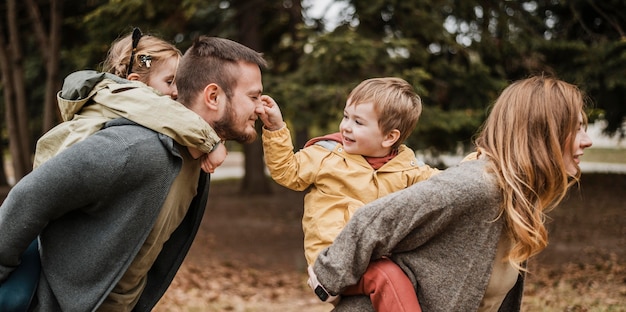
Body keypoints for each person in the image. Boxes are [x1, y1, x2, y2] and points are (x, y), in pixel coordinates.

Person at [0, 36, 268, 311]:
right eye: (253, 97)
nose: (260, 107)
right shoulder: (137, 148)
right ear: (213, 96)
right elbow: (29, 196)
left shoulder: (198, 161)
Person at [307, 76, 594, 312]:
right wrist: (328, 279)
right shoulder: (480, 185)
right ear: (542, 133)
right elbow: (374, 218)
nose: (587, 140)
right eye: (576, 128)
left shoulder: (516, 193)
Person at [259, 77, 440, 311]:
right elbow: (287, 171)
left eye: (358, 122)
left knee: (411, 274)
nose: (345, 126)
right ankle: (328, 287)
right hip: (334, 258)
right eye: (346, 116)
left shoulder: (408, 168)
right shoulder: (327, 155)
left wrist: (481, 163)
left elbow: (446, 183)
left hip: (374, 256)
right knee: (388, 276)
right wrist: (276, 128)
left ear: (389, 137)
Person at [33, 28, 227, 173]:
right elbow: (163, 112)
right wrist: (211, 143)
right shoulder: (128, 96)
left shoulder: (121, 103)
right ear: (135, 82)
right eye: (169, 81)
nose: (177, 91)